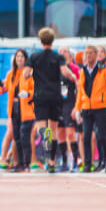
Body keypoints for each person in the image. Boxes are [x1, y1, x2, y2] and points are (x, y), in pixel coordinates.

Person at [28, 29, 66, 172]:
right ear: (52, 40)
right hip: (55, 95)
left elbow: (25, 73)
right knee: (54, 130)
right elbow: (64, 71)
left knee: (41, 128)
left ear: (40, 39)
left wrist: (30, 73)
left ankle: (45, 135)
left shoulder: (34, 57)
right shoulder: (58, 57)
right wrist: (74, 77)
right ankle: (51, 162)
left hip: (40, 95)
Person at [74, 43, 106, 172]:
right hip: (87, 108)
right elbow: (80, 90)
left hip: (101, 107)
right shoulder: (83, 71)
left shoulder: (104, 70)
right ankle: (88, 164)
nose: (87, 56)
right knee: (86, 137)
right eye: (86, 53)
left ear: (96, 55)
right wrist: (77, 108)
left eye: (90, 53)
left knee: (102, 137)